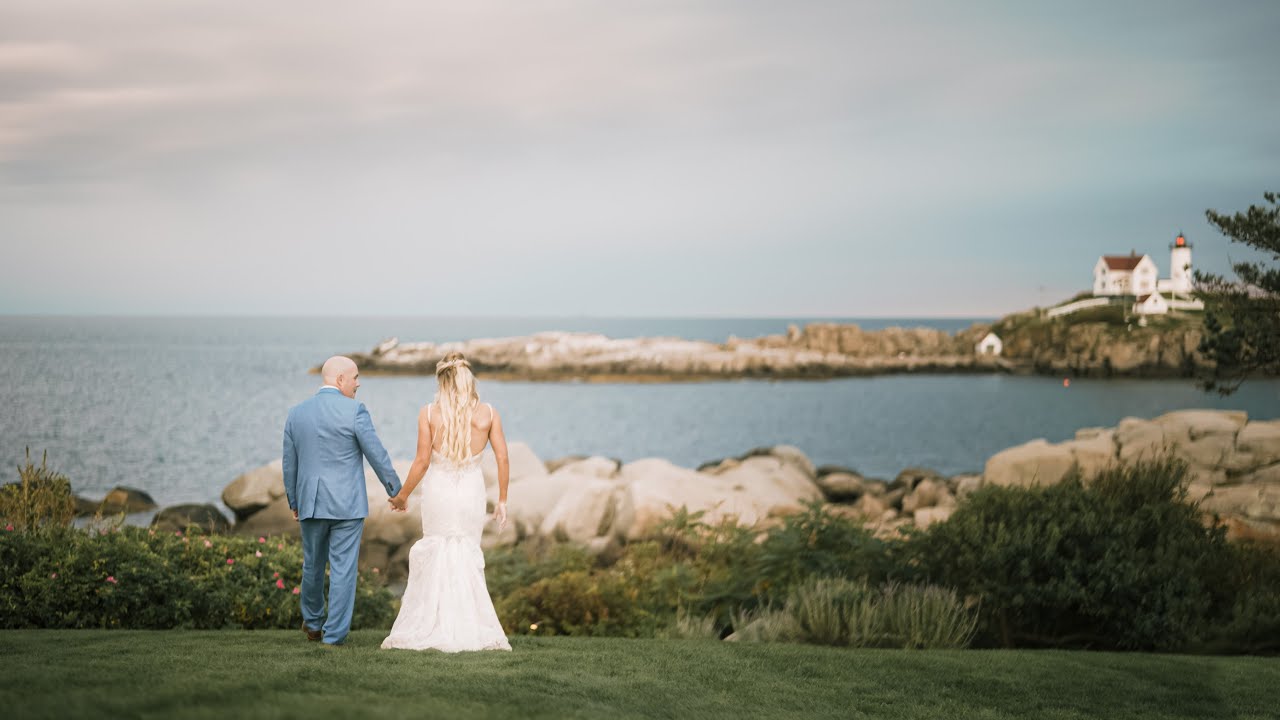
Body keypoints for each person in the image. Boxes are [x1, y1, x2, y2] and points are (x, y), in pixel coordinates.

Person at [381, 351, 512, 652]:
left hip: (439, 490)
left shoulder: (428, 413)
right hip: (470, 491)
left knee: (438, 550)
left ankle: (434, 625)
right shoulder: (488, 413)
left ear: (441, 381)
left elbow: (422, 462)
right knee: (465, 553)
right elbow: (503, 457)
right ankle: (469, 628)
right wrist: (502, 500)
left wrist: (403, 496)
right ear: (469, 379)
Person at [283, 355, 402, 646]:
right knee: (342, 569)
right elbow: (376, 453)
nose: (358, 383)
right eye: (355, 377)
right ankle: (334, 636)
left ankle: (312, 624)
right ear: (340, 380)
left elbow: (290, 464)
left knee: (311, 565)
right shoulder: (355, 411)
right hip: (347, 504)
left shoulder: (296, 414)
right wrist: (395, 489)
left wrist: (294, 501)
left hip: (310, 502)